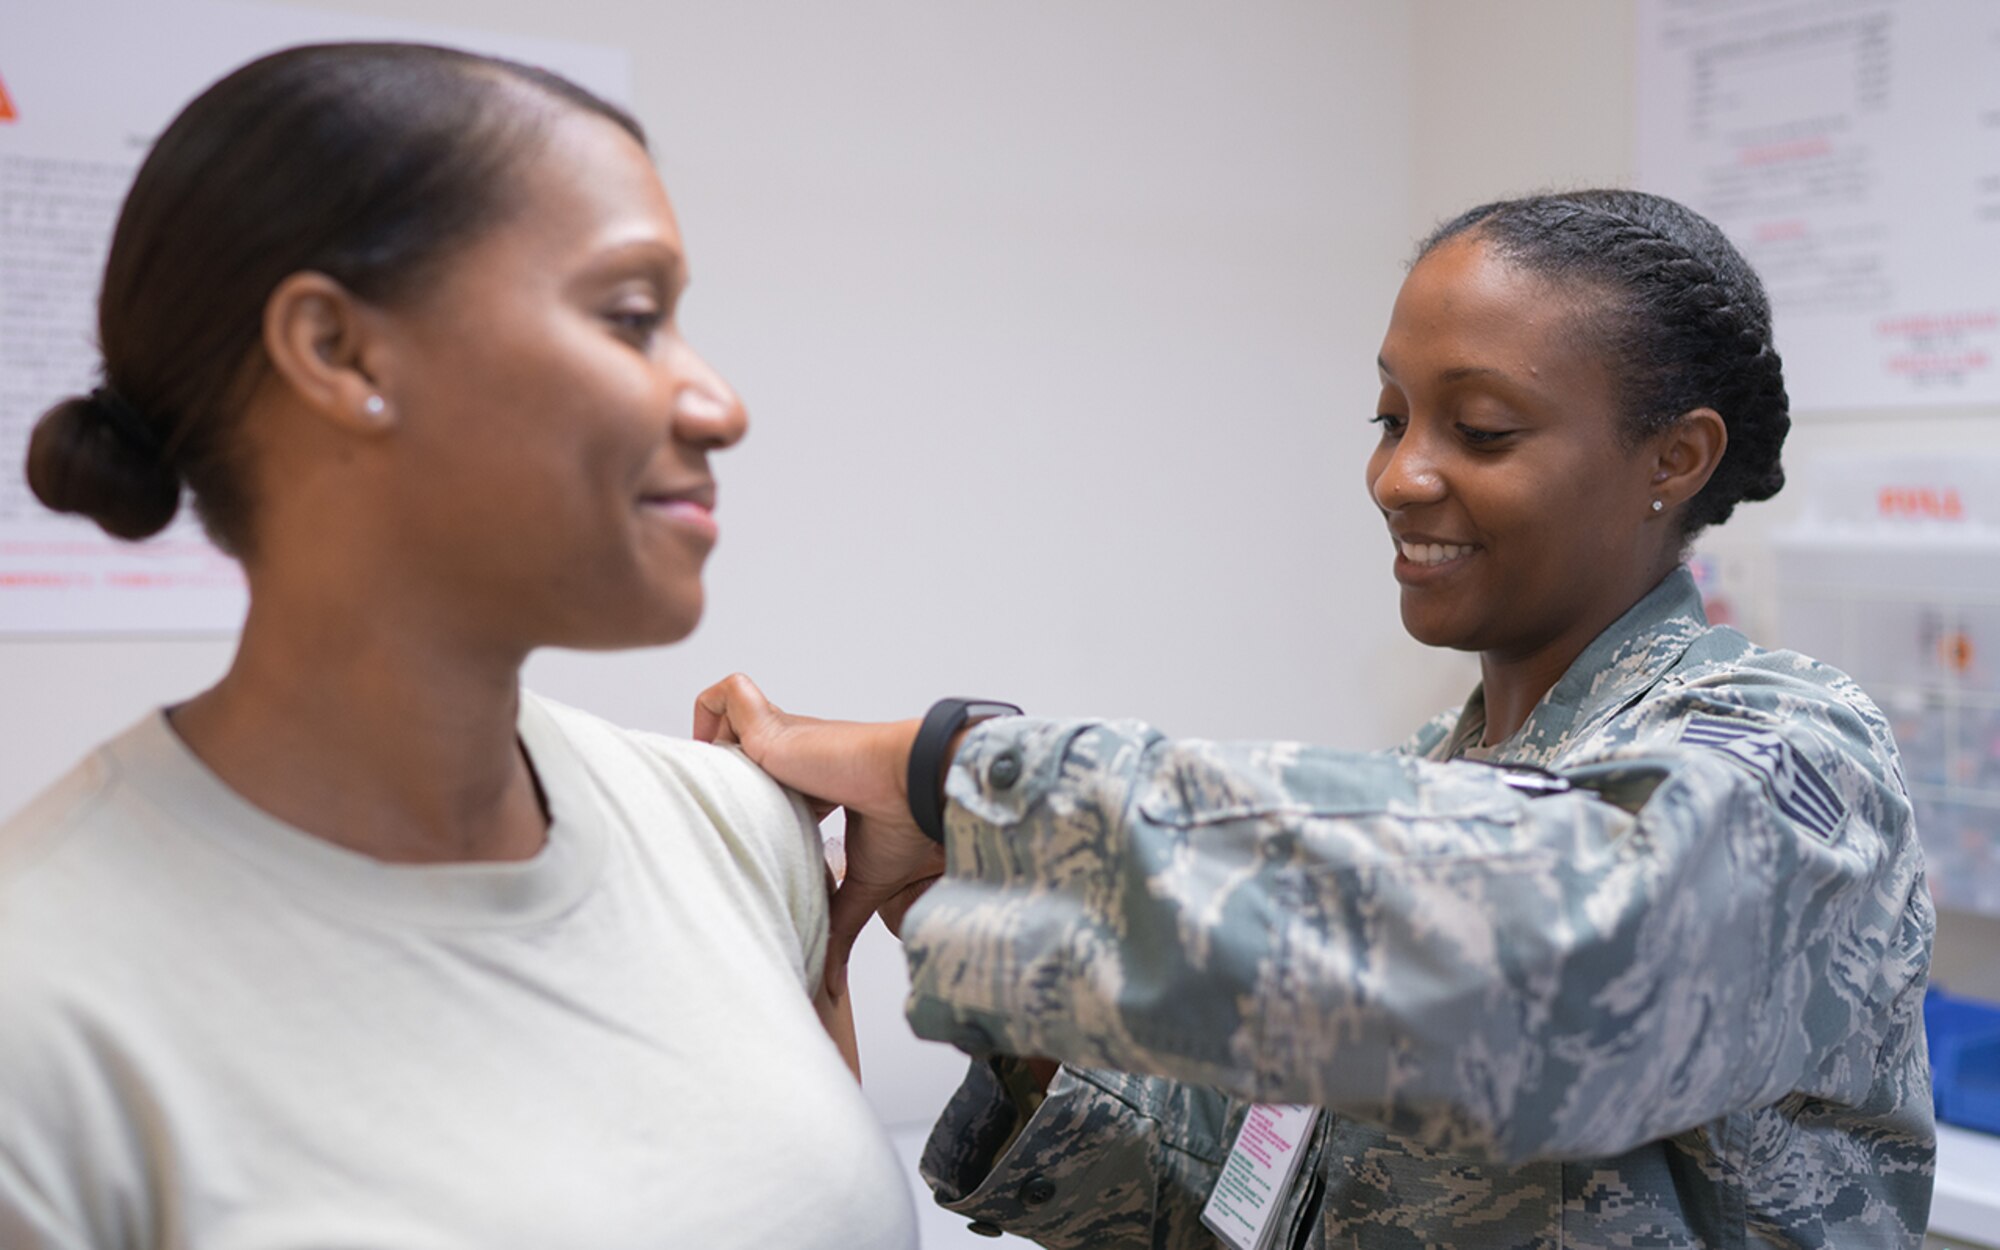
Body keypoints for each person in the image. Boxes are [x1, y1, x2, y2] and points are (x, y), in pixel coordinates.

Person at [695, 190, 1935, 1247]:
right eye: (1390, 416)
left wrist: (955, 771)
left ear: (1673, 458)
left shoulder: (1791, 754)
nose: (1398, 475)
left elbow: (1556, 962)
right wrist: (962, 892)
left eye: (1481, 427)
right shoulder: (1422, 783)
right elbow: (1248, 1204)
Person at [0, 43, 917, 1249]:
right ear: (341, 352)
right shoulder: (41, 1013)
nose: (719, 404)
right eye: (631, 316)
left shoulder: (739, 834)